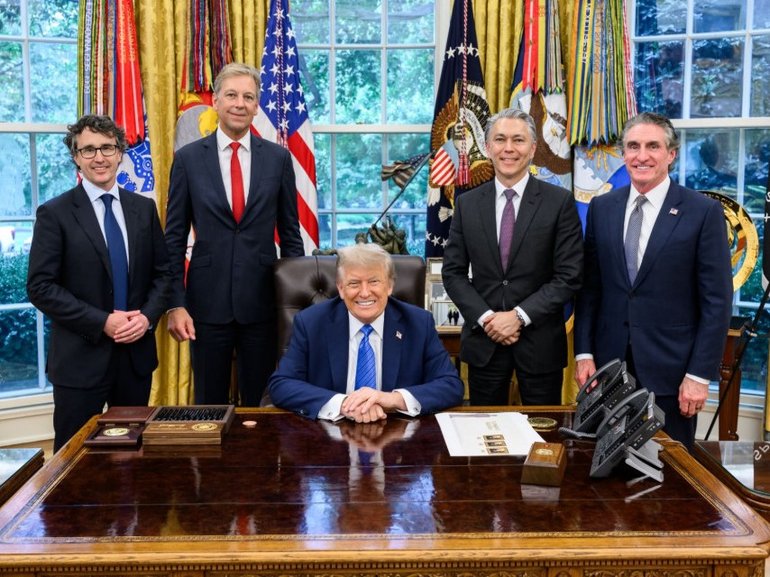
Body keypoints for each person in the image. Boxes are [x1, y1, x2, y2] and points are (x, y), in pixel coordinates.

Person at [574, 112, 733, 449]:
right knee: (608, 475)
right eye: (633, 146)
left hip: (673, 377)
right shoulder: (602, 207)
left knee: (671, 479)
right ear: (623, 153)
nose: (641, 155)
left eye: (652, 146)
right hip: (610, 370)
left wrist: (698, 375)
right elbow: (591, 289)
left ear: (671, 154)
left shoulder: (702, 212)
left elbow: (717, 302)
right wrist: (584, 353)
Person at [26, 114, 171, 452]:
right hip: (79, 361)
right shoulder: (55, 213)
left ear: (120, 152)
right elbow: (41, 286)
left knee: (133, 455)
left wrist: (147, 317)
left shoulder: (144, 209)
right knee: (73, 461)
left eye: (107, 147)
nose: (99, 158)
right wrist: (102, 321)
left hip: (134, 358)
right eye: (88, 150)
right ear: (75, 157)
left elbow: (164, 275)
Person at [165, 62, 304, 406]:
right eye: (231, 95)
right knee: (209, 404)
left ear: (257, 106)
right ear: (216, 101)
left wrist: (294, 307)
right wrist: (175, 305)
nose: (239, 103)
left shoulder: (278, 159)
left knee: (259, 403)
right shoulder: (188, 159)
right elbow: (173, 238)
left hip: (263, 303)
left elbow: (290, 236)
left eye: (248, 97)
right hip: (205, 305)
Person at [441, 108, 583, 407]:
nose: (509, 148)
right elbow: (453, 273)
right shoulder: (467, 204)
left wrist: (518, 317)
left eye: (518, 140)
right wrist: (487, 318)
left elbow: (569, 275)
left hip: (540, 344)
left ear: (532, 149)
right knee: (483, 436)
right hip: (484, 340)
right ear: (488, 147)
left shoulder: (559, 202)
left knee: (543, 439)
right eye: (500, 139)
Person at [268, 243, 464, 422]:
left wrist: (392, 399)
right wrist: (343, 404)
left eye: (374, 282)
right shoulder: (311, 322)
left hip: (398, 440)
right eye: (354, 283)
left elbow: (450, 385)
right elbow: (282, 384)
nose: (364, 293)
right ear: (340, 288)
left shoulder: (418, 323)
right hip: (328, 439)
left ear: (389, 286)